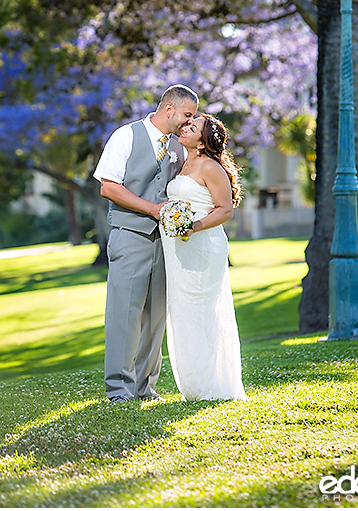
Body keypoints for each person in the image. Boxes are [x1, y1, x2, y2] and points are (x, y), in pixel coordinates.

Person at [93, 84, 198, 402]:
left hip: (165, 243)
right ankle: (118, 389)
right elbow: (109, 187)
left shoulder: (179, 149)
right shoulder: (126, 136)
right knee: (125, 313)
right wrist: (152, 209)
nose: (189, 122)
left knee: (155, 317)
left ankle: (144, 387)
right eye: (187, 114)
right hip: (130, 236)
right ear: (170, 109)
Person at [161, 114, 246, 401]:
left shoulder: (210, 167)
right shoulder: (184, 163)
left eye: (192, 127)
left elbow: (224, 210)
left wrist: (192, 226)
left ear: (203, 140)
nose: (185, 127)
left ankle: (212, 386)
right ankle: (193, 386)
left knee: (202, 313)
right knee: (183, 313)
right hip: (180, 251)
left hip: (203, 247)